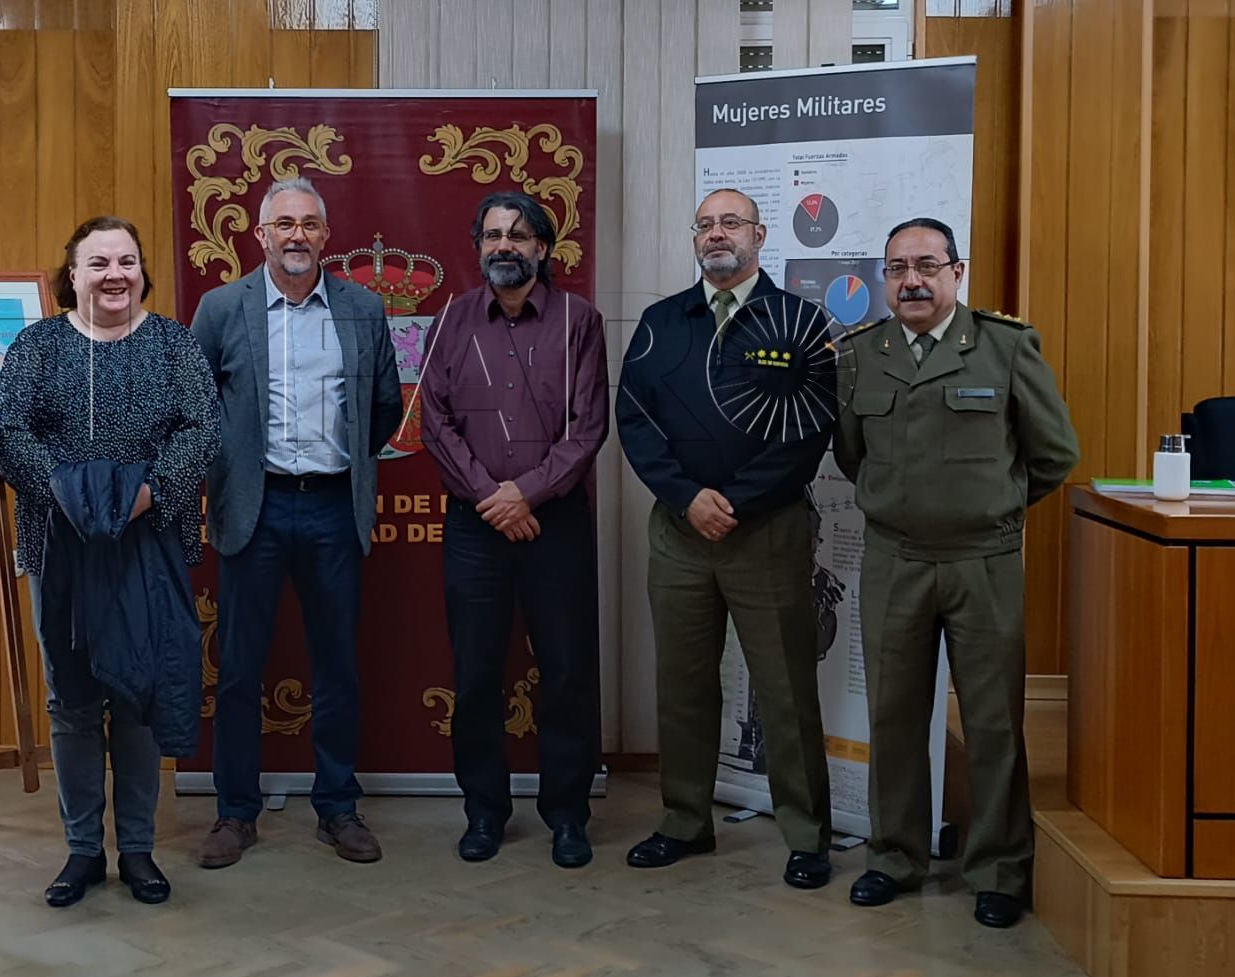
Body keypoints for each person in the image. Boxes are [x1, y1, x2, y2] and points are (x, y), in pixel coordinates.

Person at [833, 218, 1079, 929]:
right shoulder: (860, 355)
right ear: (885, 278)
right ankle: (893, 857)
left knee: (994, 719)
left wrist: (992, 510)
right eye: (898, 268)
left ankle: (999, 868)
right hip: (895, 561)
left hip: (984, 562)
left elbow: (1055, 453)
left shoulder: (1004, 347)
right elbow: (854, 456)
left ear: (956, 272)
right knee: (895, 714)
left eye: (926, 267)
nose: (911, 281)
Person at [0, 217, 221, 909]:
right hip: (57, 547)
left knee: (138, 698)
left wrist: (142, 497)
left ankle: (141, 852)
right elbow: (7, 431)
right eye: (98, 263)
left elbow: (203, 428)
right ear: (73, 273)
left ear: (141, 269)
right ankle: (82, 851)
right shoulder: (37, 347)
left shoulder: (175, 343)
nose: (114, 274)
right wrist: (70, 496)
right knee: (71, 701)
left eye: (126, 260)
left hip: (148, 542)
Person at [615, 188, 836, 888]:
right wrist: (686, 498)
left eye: (730, 222)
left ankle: (806, 834)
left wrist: (732, 502)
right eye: (706, 224)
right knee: (681, 685)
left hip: (766, 532)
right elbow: (634, 419)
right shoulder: (659, 322)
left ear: (761, 235)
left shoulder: (800, 322)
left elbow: (810, 431)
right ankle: (685, 821)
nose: (717, 234)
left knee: (785, 689)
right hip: (679, 534)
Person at [189, 177, 404, 868]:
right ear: (260, 235)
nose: (297, 236)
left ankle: (337, 807)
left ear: (326, 235)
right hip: (253, 506)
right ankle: (234, 813)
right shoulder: (222, 308)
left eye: (309, 224)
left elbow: (384, 406)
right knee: (241, 667)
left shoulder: (363, 309)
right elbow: (195, 406)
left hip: (333, 507)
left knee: (338, 664)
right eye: (284, 223)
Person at [418, 192, 608, 868]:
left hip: (554, 525)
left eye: (519, 235)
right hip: (475, 527)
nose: (505, 246)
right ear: (478, 247)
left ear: (543, 249)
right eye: (493, 235)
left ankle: (567, 813)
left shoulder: (579, 321)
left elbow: (588, 429)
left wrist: (524, 495)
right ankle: (484, 811)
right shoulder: (451, 319)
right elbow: (434, 421)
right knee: (475, 675)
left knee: (566, 672)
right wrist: (489, 498)